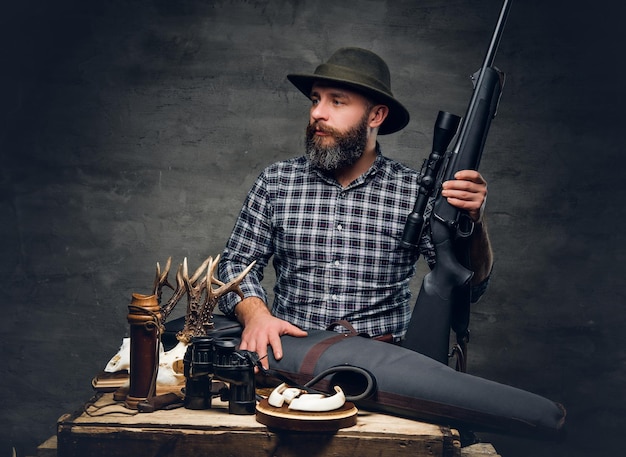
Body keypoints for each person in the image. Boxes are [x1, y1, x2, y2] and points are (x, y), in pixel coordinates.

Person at [218, 47, 493, 369]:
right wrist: (257, 315)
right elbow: (235, 264)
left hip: (384, 366)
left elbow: (470, 287)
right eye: (315, 99)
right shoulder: (277, 181)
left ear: (376, 116)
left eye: (336, 101)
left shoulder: (415, 192)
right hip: (290, 358)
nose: (318, 113)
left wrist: (474, 222)